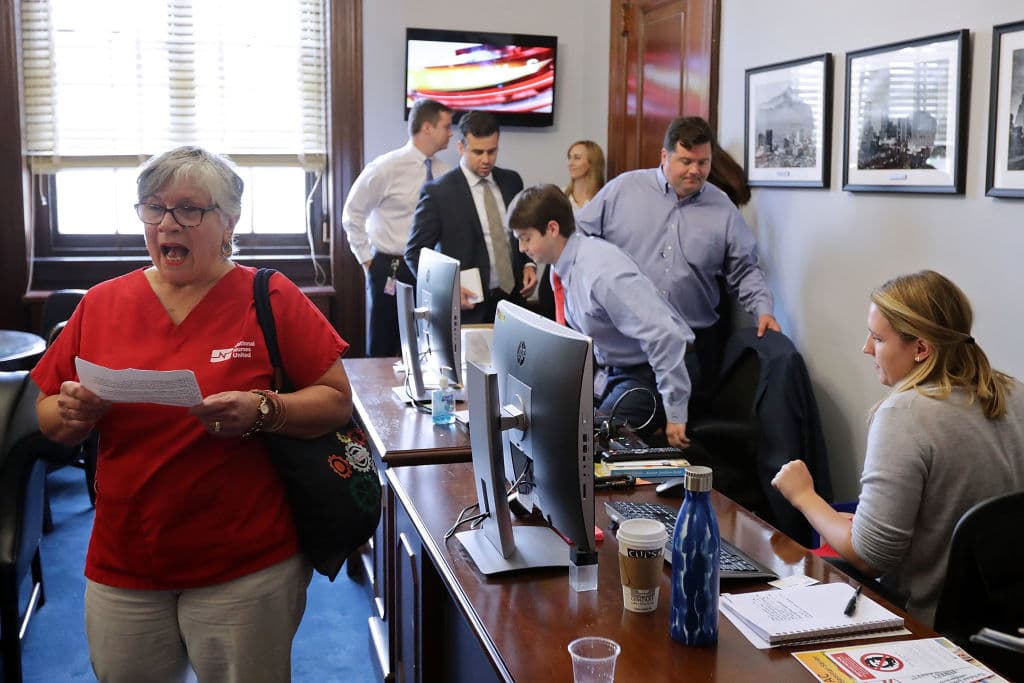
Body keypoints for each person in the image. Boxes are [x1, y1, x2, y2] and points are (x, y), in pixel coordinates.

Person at [31, 146, 353, 682]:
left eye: (189, 209)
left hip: (246, 560)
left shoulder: (269, 296)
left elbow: (337, 399)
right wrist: (73, 413)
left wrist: (263, 409)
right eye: (154, 208)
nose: (167, 224)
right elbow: (46, 413)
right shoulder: (103, 303)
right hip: (125, 558)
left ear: (229, 221)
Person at [771, 270, 1024, 626]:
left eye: (878, 338)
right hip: (1005, 625)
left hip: (928, 625)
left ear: (921, 348)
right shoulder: (1015, 394)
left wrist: (804, 496)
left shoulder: (905, 415)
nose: (866, 348)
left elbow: (869, 558)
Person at [575, 116, 779, 396]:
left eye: (703, 162)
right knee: (620, 417)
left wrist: (763, 310)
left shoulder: (723, 209)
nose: (695, 170)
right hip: (626, 348)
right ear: (664, 156)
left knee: (654, 418)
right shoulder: (623, 190)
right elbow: (577, 238)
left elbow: (744, 269)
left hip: (689, 353)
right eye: (686, 161)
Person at [508, 183, 694, 448]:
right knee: (558, 421)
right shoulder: (560, 268)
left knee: (589, 444)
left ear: (552, 229)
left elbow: (665, 335)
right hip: (612, 369)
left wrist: (676, 411)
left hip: (656, 370)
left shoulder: (600, 273)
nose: (521, 248)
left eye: (526, 238)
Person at [342, 98, 453, 356]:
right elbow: (352, 213)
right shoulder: (386, 167)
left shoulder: (445, 173)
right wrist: (368, 262)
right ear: (427, 128)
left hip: (430, 269)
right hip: (391, 267)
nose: (451, 133)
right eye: (446, 127)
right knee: (384, 342)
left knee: (429, 344)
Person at [405, 110, 537, 324]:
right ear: (461, 147)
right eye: (477, 152)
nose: (486, 159)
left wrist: (529, 264)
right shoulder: (438, 193)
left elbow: (522, 232)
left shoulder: (512, 182)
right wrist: (445, 288)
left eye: (492, 151)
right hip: (467, 309)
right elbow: (414, 252)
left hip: (513, 303)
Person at [564, 139, 606, 210]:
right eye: (569, 157)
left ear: (592, 162)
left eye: (577, 158)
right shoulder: (559, 196)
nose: (570, 163)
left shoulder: (605, 198)